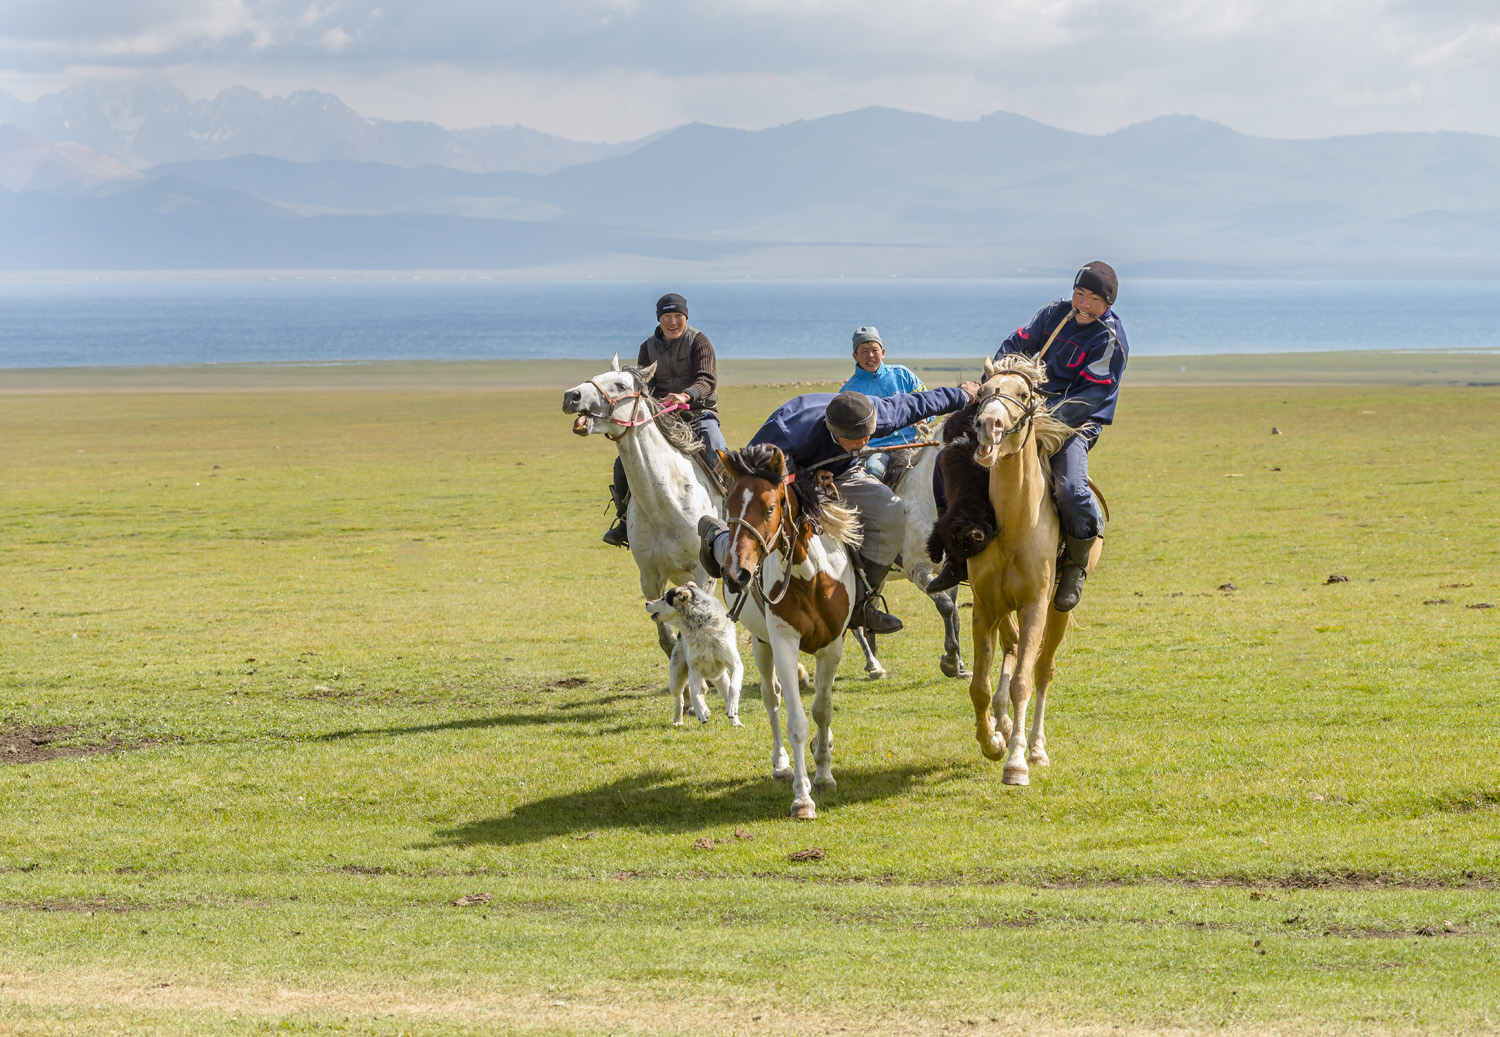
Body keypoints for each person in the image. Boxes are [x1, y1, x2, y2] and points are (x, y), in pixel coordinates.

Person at [927, 261, 1128, 611]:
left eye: (1092, 299)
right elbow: (1017, 343)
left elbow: (1092, 396)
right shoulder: (1054, 313)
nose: (1082, 304)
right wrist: (998, 388)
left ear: (1107, 304)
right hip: (1022, 409)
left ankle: (1074, 567)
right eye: (1079, 294)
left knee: (1070, 490)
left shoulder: (1109, 340)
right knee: (956, 461)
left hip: (1072, 423)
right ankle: (958, 556)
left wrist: (1043, 419)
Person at [699, 383, 978, 635]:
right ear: (835, 432)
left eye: (868, 435)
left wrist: (964, 394)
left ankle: (862, 604)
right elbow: (761, 482)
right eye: (857, 440)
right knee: (767, 537)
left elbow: (918, 404)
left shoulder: (871, 414)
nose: (865, 443)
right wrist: (810, 478)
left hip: (842, 472)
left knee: (891, 509)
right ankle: (718, 539)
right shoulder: (789, 437)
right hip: (777, 480)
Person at [602, 293, 728, 547]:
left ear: (685, 318)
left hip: (698, 413)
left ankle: (732, 512)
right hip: (663, 417)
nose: (673, 322)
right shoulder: (647, 348)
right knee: (623, 463)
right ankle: (625, 520)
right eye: (667, 317)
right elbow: (644, 386)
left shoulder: (699, 341)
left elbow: (707, 380)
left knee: (718, 451)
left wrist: (685, 395)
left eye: (678, 317)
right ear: (659, 320)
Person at [838, 326, 930, 485]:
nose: (870, 355)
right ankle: (878, 509)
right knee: (874, 471)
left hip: (912, 443)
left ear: (883, 352)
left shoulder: (903, 374)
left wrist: (924, 418)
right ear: (855, 356)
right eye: (864, 351)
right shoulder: (849, 392)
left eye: (874, 349)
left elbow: (928, 404)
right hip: (877, 450)